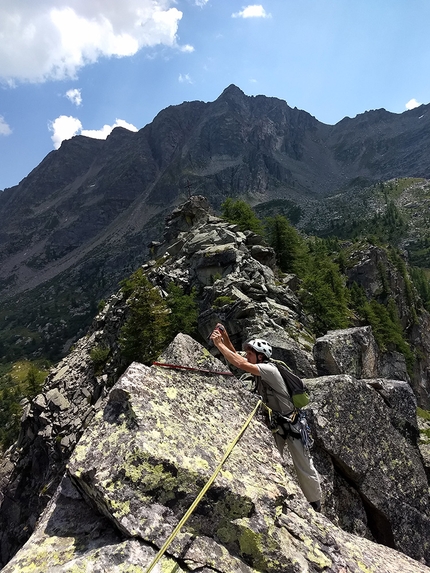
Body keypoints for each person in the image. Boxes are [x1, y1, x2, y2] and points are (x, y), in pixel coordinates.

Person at [210, 324, 322, 512]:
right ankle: (274, 493)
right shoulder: (260, 365)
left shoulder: (269, 370)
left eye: (250, 353)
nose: (247, 355)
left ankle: (315, 503)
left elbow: (239, 363)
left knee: (303, 464)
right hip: (277, 422)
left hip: (291, 424)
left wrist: (218, 344)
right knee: (271, 460)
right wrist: (226, 337)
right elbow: (237, 356)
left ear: (260, 356)